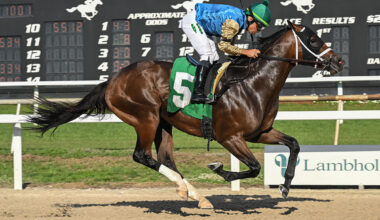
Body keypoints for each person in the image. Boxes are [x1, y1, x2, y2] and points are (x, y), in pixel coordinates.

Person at [181, 0, 272, 103]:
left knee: (214, 58)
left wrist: (240, 54)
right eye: (259, 26)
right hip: (193, 21)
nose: (259, 30)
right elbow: (224, 46)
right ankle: (197, 93)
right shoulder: (234, 23)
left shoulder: (239, 21)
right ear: (250, 19)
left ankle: (207, 89)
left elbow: (229, 48)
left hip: (200, 24)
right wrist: (247, 52)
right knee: (206, 54)